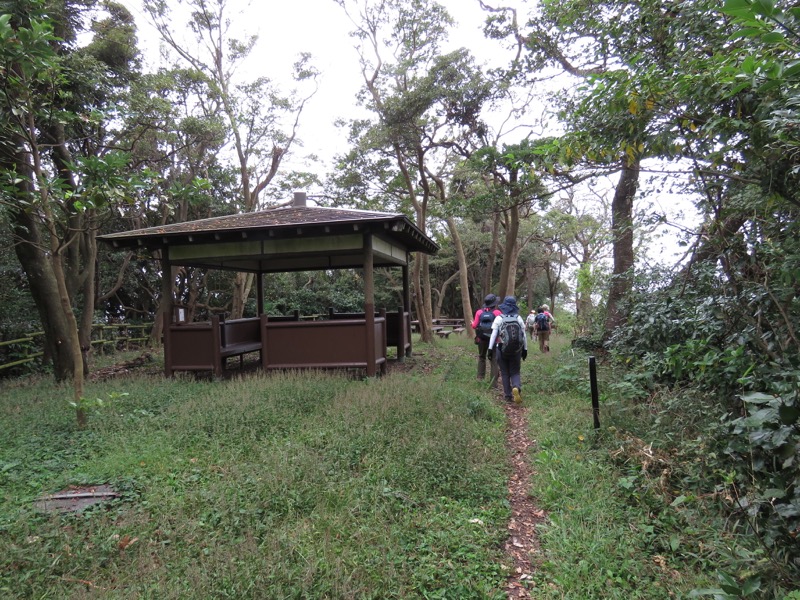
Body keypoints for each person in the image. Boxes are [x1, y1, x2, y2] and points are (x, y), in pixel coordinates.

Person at [488, 296, 528, 404]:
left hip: (501, 349)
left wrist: (490, 349)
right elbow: (524, 335)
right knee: (515, 372)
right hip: (516, 350)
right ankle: (516, 387)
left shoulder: (499, 318)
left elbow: (493, 335)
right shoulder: (518, 318)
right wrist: (525, 349)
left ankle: (507, 395)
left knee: (505, 373)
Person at [471, 294, 502, 381]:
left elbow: (474, 326)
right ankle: (493, 381)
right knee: (494, 359)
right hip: (494, 340)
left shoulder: (479, 312)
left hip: (481, 339)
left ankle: (480, 378)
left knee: (481, 357)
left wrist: (472, 323)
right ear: (494, 303)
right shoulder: (497, 313)